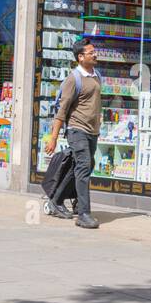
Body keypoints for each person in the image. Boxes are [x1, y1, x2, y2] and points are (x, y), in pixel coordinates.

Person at [44, 38, 101, 229]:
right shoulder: (73, 79)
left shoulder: (96, 75)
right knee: (83, 167)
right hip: (77, 130)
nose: (95, 54)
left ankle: (56, 200)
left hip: (92, 131)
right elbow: (62, 110)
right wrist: (53, 138)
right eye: (91, 52)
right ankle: (83, 214)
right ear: (80, 57)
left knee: (83, 166)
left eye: (95, 51)